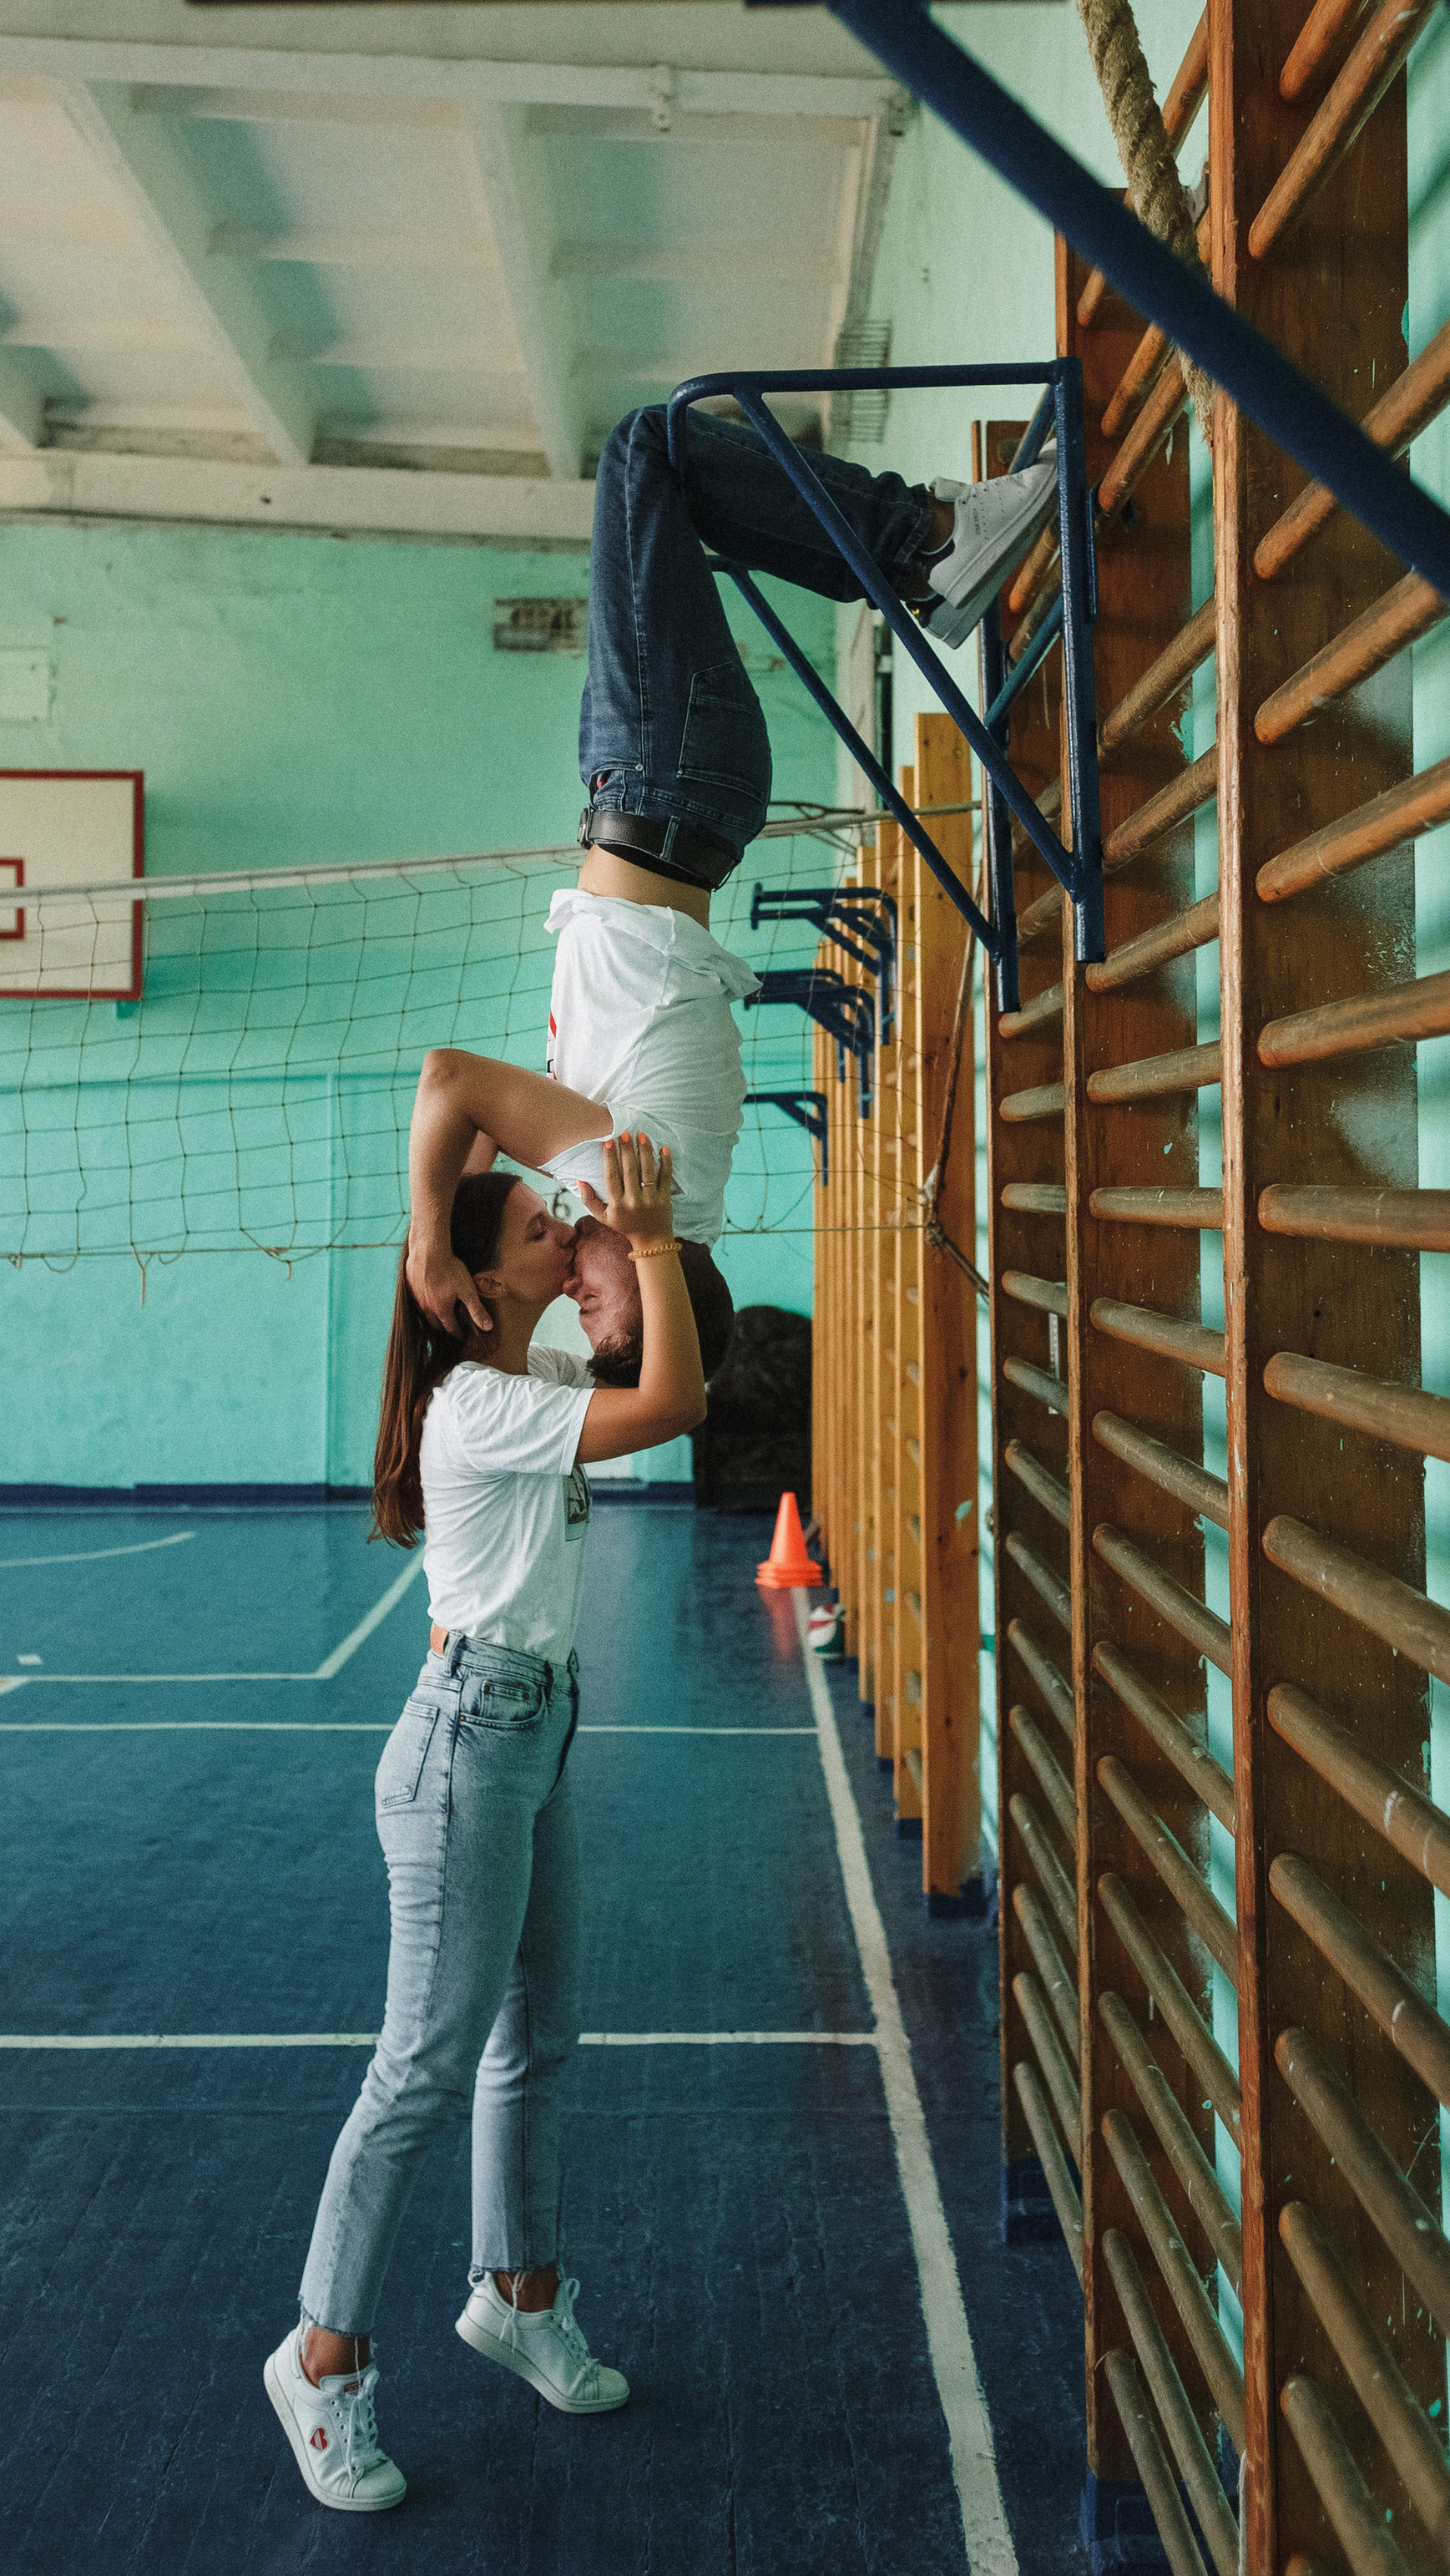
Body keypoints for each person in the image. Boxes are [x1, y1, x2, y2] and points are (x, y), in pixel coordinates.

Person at [405, 400, 1056, 1339]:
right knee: (647, 447)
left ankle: (919, 555)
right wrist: (428, 1239)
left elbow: (476, 1151)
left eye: (579, 1322)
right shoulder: (638, 1185)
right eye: (606, 1320)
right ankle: (926, 542)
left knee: (663, 488)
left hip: (653, 792)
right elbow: (449, 1085)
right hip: (666, 782)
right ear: (662, 1300)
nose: (579, 1307)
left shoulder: (630, 1197)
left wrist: (459, 1254)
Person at [265, 1135, 709, 2514]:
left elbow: (455, 1108)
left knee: (540, 2040)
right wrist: (637, 1232)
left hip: (535, 1728)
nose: (561, 1229)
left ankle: (519, 2295)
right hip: (470, 1744)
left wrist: (508, 1191)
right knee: (422, 2068)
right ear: (475, 1280)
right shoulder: (479, 1403)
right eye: (538, 1226)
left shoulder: (542, 1374)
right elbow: (682, 1401)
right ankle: (320, 2354)